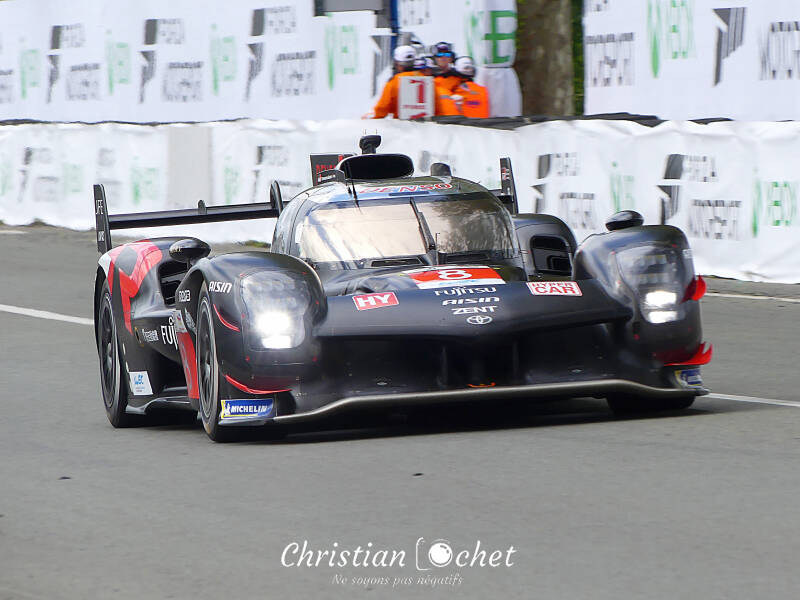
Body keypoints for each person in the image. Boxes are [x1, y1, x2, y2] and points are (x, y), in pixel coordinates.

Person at [372, 45, 422, 118]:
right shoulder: (428, 80)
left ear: (397, 63)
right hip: (425, 124)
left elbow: (382, 108)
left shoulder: (394, 82)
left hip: (401, 123)